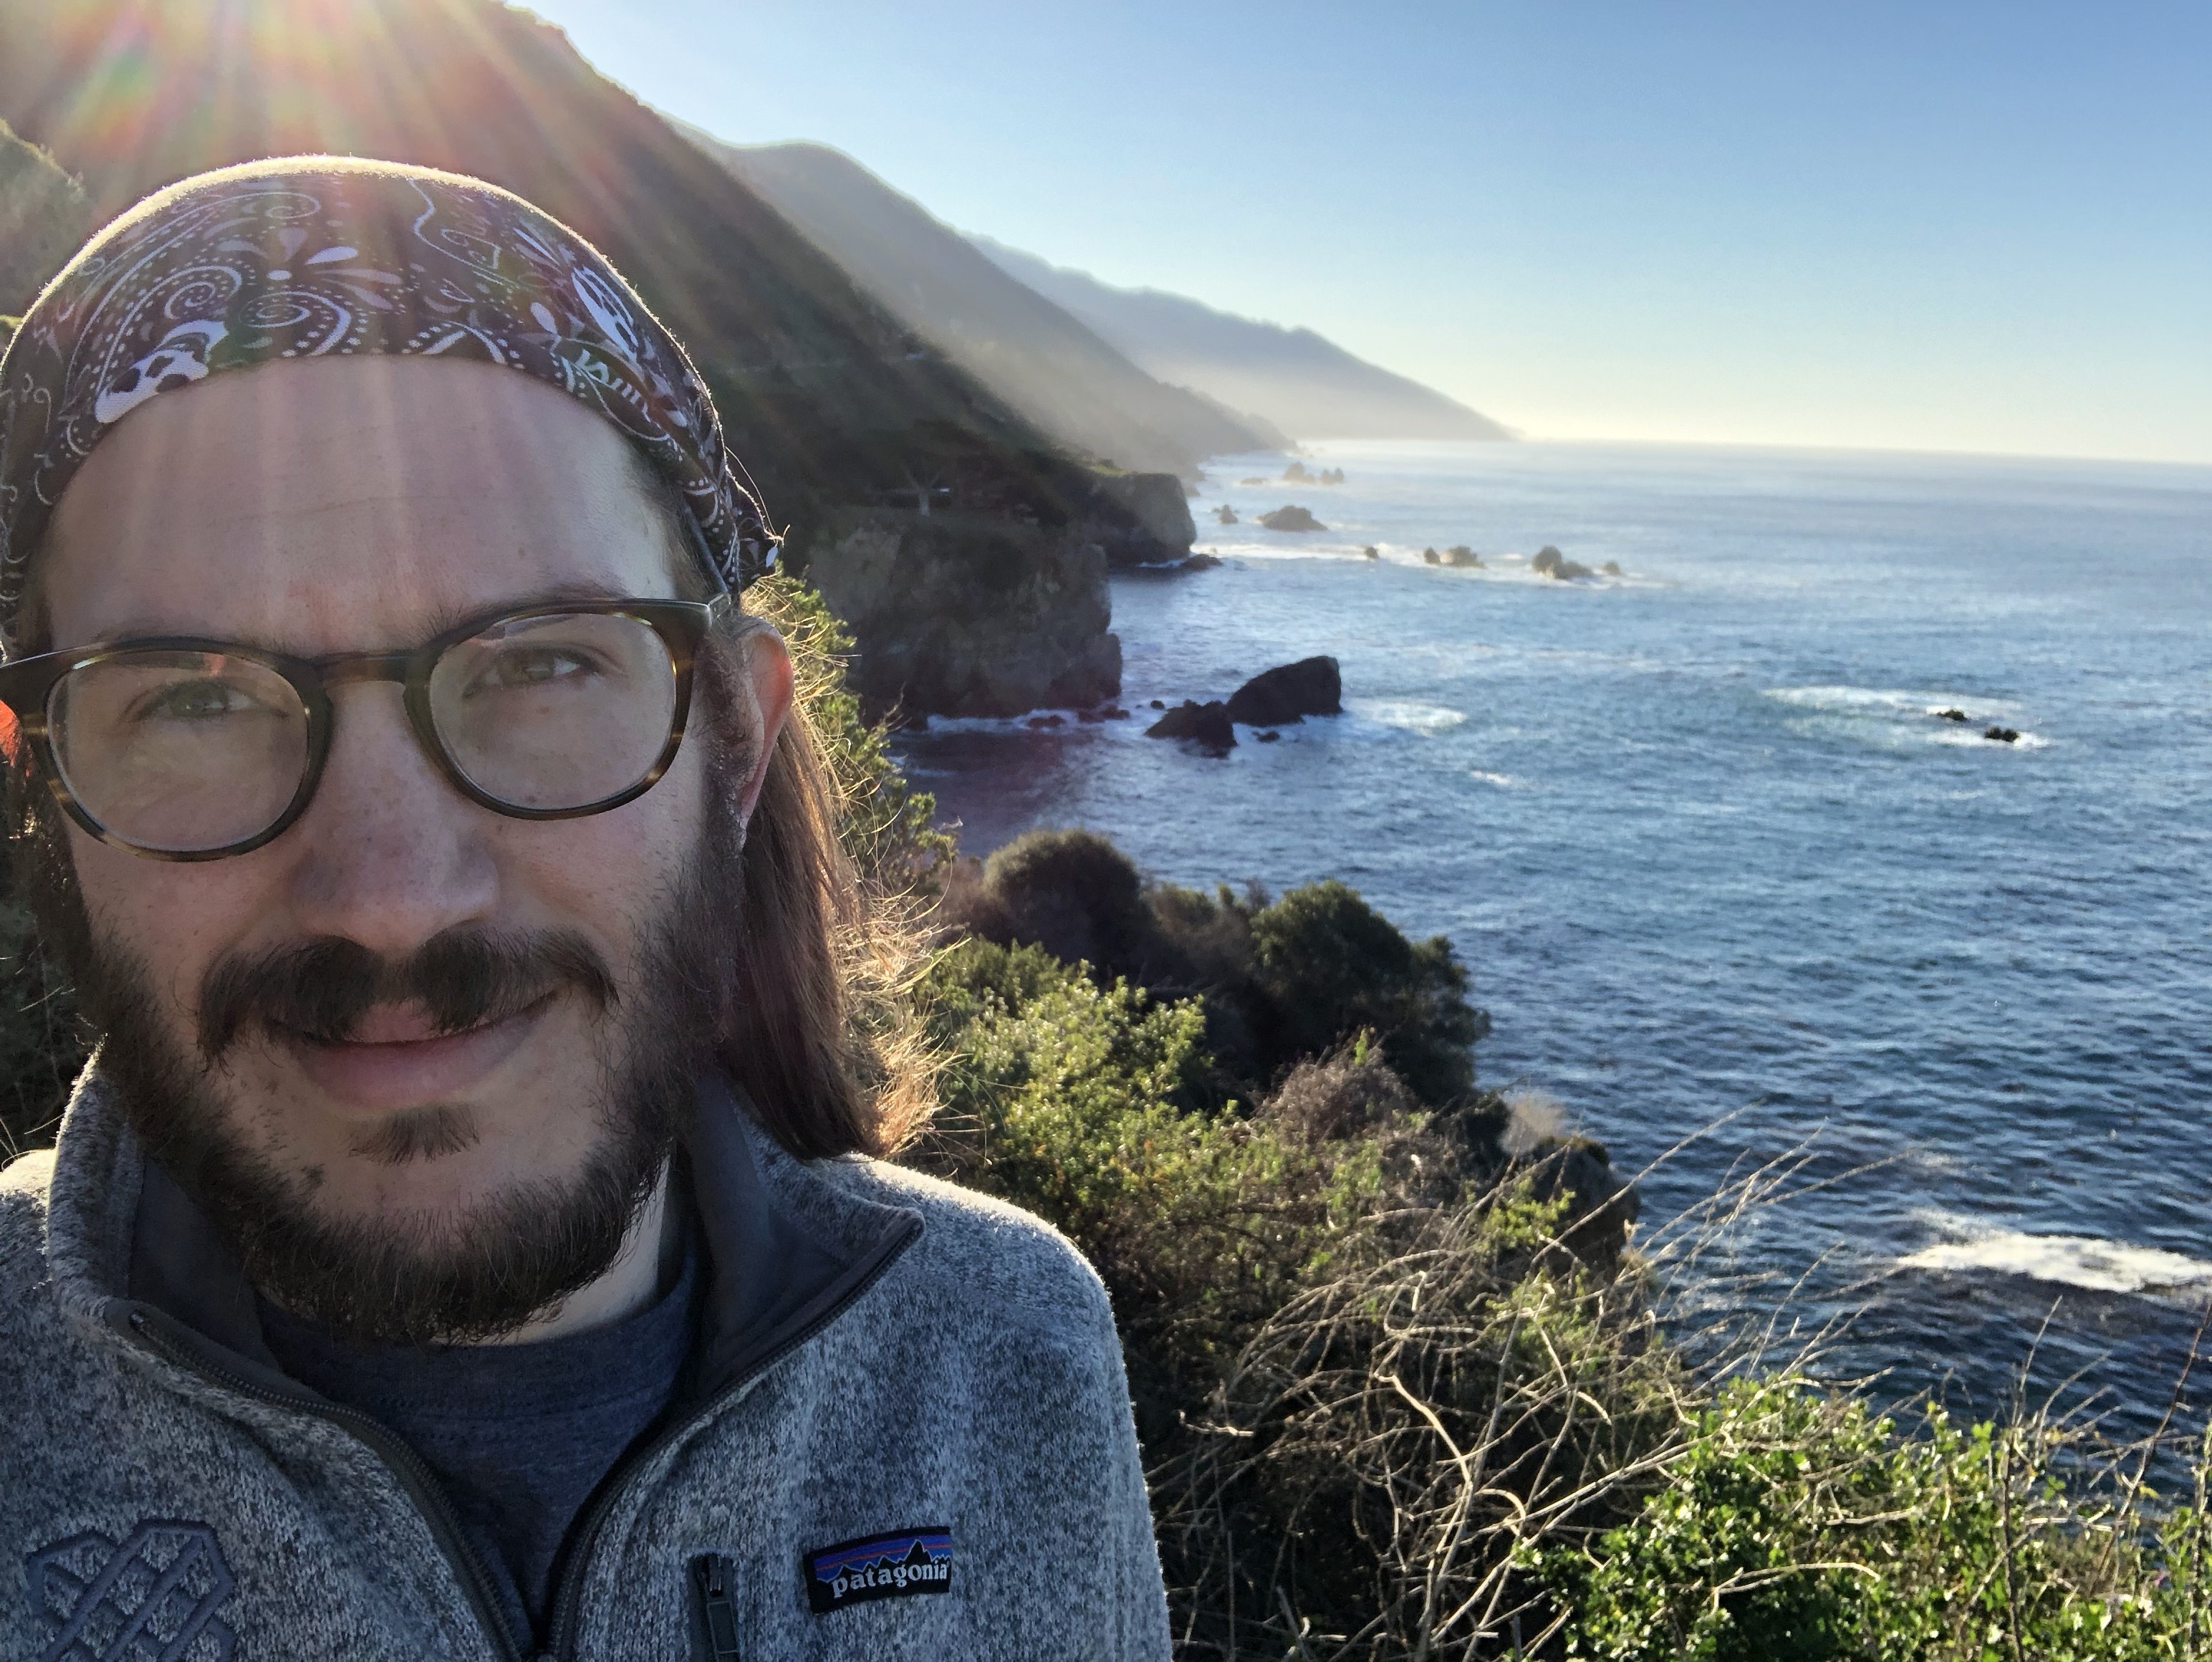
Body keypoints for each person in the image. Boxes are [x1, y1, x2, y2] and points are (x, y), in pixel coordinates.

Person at [0, 157, 1170, 1661]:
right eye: (198, 698)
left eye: (542, 664)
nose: (389, 893)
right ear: (40, 786)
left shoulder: (1005, 1353)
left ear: (734, 742)